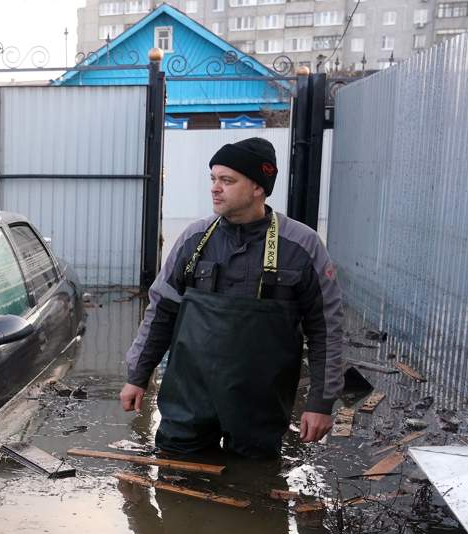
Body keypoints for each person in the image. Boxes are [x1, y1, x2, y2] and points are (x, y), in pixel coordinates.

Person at [120, 137, 344, 458]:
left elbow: (326, 330)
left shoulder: (301, 245)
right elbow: (161, 311)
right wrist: (137, 377)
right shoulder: (195, 239)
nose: (215, 188)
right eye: (213, 179)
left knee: (255, 488)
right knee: (176, 485)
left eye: (227, 180)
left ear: (258, 188)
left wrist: (321, 402)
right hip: (189, 401)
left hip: (259, 407)